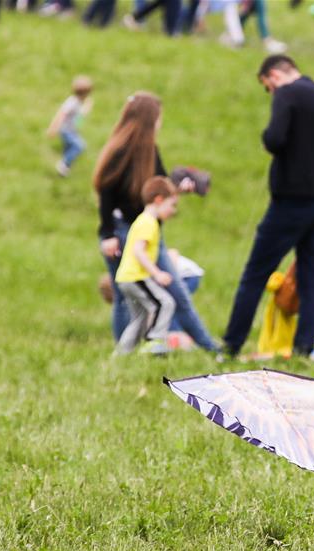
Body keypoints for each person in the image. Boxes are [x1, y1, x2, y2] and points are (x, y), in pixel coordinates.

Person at [222, 55, 314, 358]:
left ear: (274, 75)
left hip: (290, 202)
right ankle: (304, 348)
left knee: (256, 273)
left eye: (267, 86)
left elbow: (275, 138)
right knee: (312, 277)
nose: (270, 92)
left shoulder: (287, 93)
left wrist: (269, 138)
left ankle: (231, 344)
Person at [93, 91, 218, 352]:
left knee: (163, 295)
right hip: (123, 233)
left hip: (146, 231)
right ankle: (129, 351)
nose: (160, 123)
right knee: (131, 298)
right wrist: (107, 234)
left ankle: (209, 348)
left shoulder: (150, 151)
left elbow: (156, 189)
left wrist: (179, 188)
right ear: (149, 120)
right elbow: (106, 192)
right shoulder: (120, 152)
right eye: (158, 118)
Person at [115, 177, 179, 355]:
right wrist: (156, 274)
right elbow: (139, 251)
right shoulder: (149, 222)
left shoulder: (143, 220)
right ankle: (153, 341)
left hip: (126, 278)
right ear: (158, 200)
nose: (173, 211)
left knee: (139, 318)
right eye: (172, 205)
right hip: (136, 277)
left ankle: (121, 354)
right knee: (164, 303)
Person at [47, 76, 94, 177]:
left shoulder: (79, 102)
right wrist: (53, 128)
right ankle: (63, 164)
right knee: (79, 146)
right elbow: (60, 115)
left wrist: (86, 108)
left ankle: (64, 169)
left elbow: (79, 118)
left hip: (72, 129)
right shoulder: (71, 103)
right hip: (66, 130)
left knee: (68, 148)